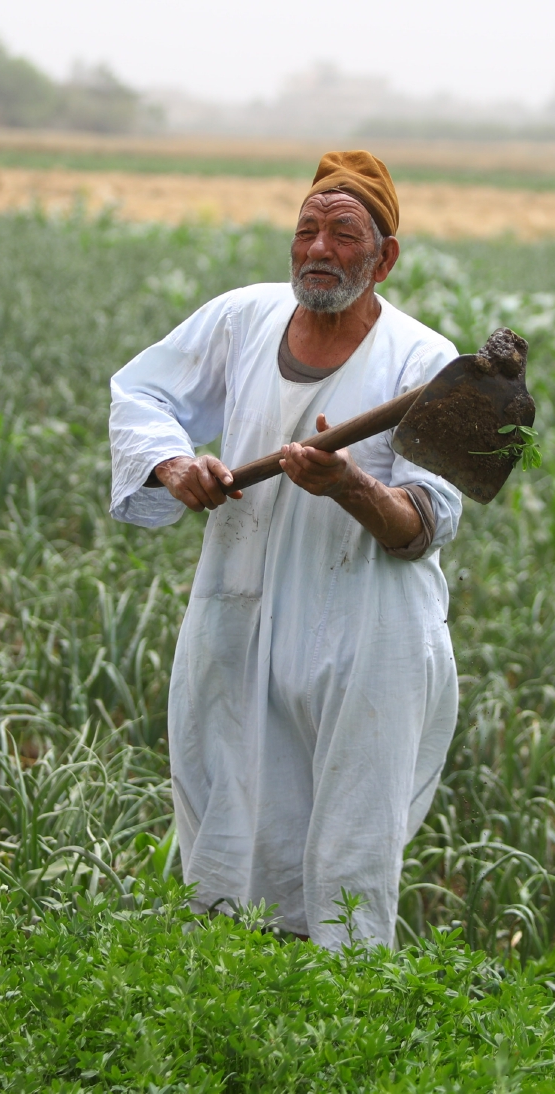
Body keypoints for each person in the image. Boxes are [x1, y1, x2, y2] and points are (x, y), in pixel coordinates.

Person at [108, 149, 461, 950]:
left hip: (365, 639)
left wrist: (349, 486)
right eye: (307, 230)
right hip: (239, 613)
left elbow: (423, 523)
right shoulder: (243, 317)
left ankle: (338, 1027)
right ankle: (236, 1011)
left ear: (385, 258)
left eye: (344, 233)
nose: (319, 250)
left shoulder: (424, 362)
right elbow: (143, 392)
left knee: (348, 848)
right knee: (231, 818)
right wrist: (173, 462)